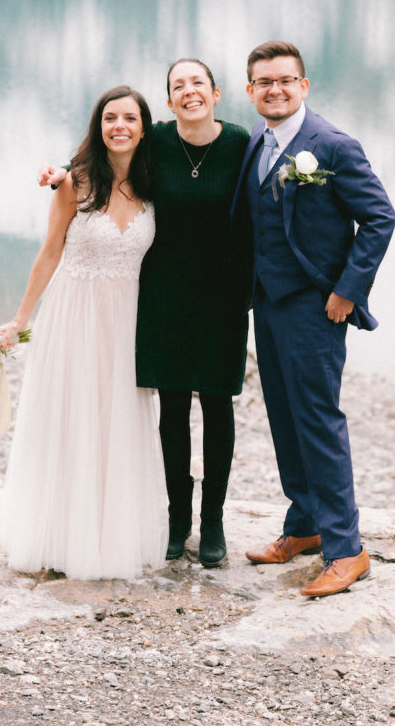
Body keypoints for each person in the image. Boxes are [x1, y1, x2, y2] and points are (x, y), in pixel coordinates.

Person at [40, 60, 250, 568]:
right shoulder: (156, 139)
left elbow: (260, 205)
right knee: (173, 409)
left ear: (216, 93)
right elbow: (110, 150)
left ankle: (213, 520)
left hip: (222, 297)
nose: (189, 92)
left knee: (217, 408)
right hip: (164, 295)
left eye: (197, 83)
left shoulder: (241, 144)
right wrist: (63, 174)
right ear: (170, 99)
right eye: (178, 86)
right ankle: (178, 520)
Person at [232, 40, 395, 598]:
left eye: (284, 80)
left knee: (319, 420)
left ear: (303, 86)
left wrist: (347, 292)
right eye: (263, 82)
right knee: (283, 415)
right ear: (250, 89)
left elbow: (379, 218)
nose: (274, 89)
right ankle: (304, 525)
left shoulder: (333, 146)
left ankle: (347, 549)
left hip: (315, 306)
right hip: (267, 301)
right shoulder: (257, 137)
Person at [0, 86, 168, 580]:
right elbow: (50, 251)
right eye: (110, 117)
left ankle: (108, 534)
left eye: (129, 118)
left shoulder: (155, 182)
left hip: (126, 321)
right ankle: (58, 533)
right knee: (70, 416)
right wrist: (21, 318)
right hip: (74, 315)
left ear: (143, 127)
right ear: (99, 126)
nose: (120, 126)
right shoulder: (75, 182)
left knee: (116, 420)